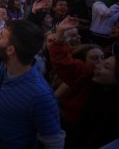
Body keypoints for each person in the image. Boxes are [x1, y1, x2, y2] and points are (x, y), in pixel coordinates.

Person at [0, 0, 65, 149]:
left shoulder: (41, 96)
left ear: (10, 50)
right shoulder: (9, 61)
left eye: (1, 36)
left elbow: (54, 143)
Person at [49, 16, 119, 149]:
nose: (99, 65)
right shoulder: (85, 75)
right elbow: (63, 63)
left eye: (106, 66)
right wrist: (59, 34)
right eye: (95, 59)